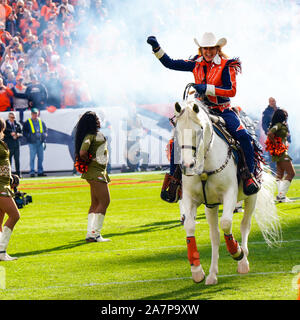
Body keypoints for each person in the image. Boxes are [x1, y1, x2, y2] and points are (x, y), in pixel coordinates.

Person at [147, 32, 259, 201]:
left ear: (217, 48)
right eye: (205, 49)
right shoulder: (195, 63)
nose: (208, 52)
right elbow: (170, 63)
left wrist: (206, 88)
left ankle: (249, 176)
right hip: (201, 109)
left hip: (223, 110)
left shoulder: (227, 65)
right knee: (179, 139)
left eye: (211, 48)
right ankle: (174, 181)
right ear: (201, 49)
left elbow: (231, 91)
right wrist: (157, 48)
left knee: (244, 137)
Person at [74, 111, 111, 242]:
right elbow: (83, 152)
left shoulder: (93, 135)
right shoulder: (91, 135)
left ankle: (91, 233)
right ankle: (95, 234)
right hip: (96, 172)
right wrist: (90, 160)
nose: (99, 120)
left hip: (96, 171)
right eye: (97, 118)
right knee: (105, 201)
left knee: (95, 203)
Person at [0, 117, 20, 261]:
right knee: (15, 215)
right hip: (0, 185)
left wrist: (10, 177)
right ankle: (1, 251)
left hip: (4, 183)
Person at [266, 109, 295, 202]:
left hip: (279, 152)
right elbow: (270, 133)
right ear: (281, 116)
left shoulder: (281, 125)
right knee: (291, 173)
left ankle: (280, 196)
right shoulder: (278, 125)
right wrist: (276, 143)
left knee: (279, 175)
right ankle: (281, 196)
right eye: (285, 114)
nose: (286, 116)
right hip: (281, 153)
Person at [22, 108, 48, 177]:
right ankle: (32, 172)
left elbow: (45, 130)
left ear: (37, 114)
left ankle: (40, 171)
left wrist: (45, 135)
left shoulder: (41, 121)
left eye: (36, 113)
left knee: (41, 158)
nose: (35, 115)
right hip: (32, 142)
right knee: (32, 157)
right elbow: (24, 132)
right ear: (31, 114)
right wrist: (29, 136)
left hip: (40, 141)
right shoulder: (28, 122)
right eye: (33, 113)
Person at [262, 97, 278, 173]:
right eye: (271, 101)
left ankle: (281, 171)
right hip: (272, 135)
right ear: (269, 102)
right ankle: (274, 173)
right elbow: (264, 124)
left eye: (273, 101)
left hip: (280, 135)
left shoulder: (279, 111)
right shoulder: (266, 112)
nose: (272, 102)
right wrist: (267, 131)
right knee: (272, 154)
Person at [4, 112, 22, 177]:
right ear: (9, 117)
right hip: (9, 144)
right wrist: (10, 135)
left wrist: (18, 135)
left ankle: (18, 173)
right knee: (9, 160)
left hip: (16, 144)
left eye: (14, 117)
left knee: (17, 159)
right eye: (11, 117)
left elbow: (21, 133)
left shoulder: (17, 124)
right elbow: (3, 134)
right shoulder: (5, 124)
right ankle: (9, 174)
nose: (13, 119)